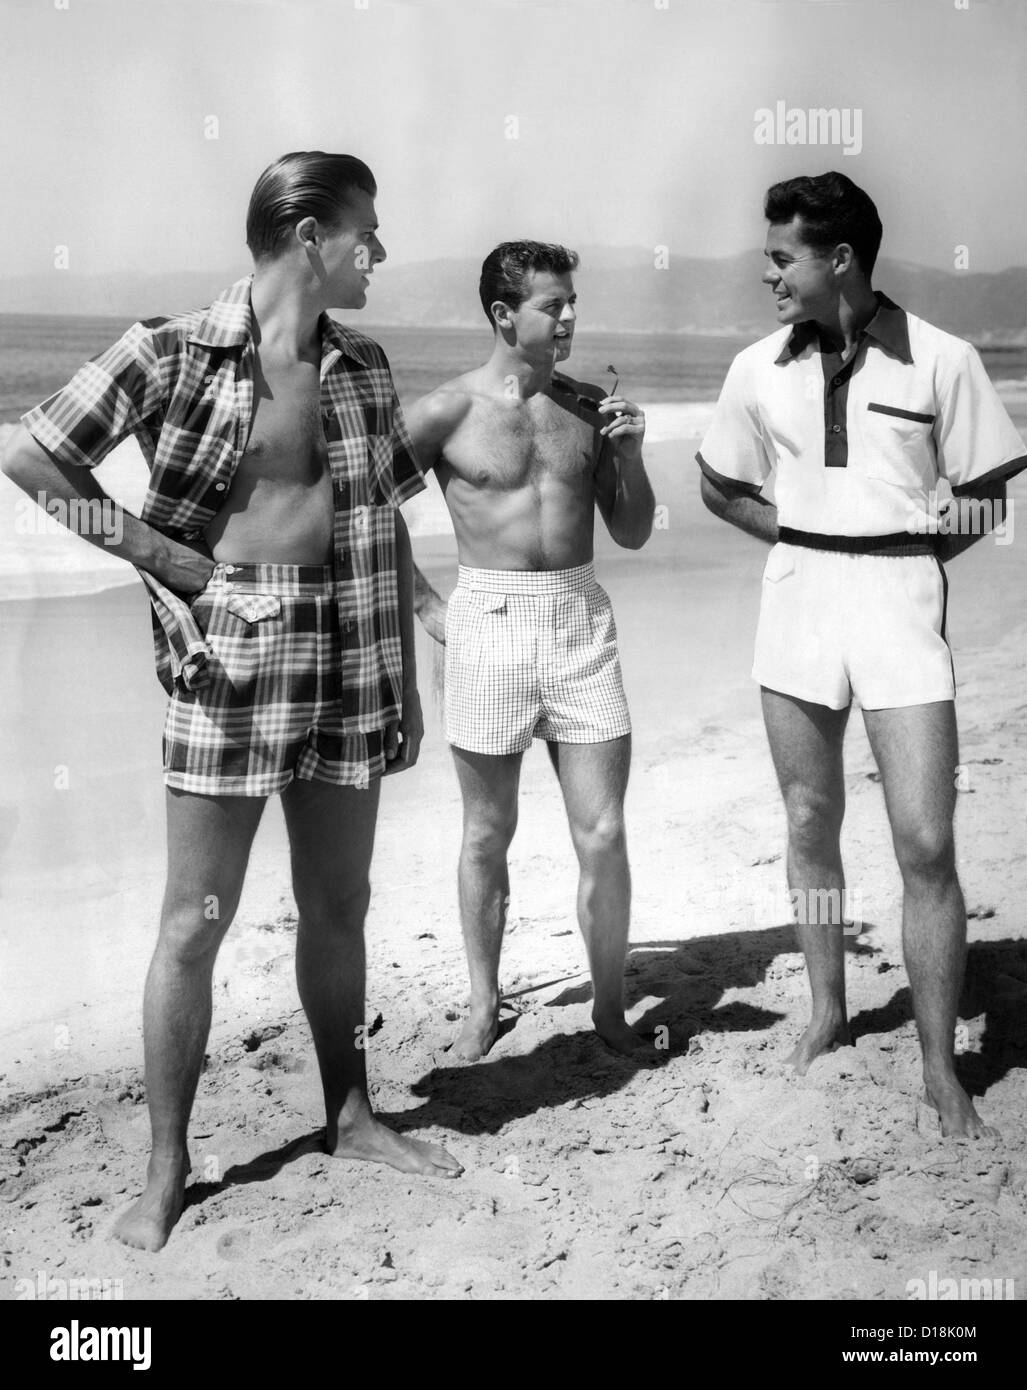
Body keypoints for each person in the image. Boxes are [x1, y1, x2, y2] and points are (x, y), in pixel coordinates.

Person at [2, 150, 463, 1251]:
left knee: (340, 907)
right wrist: (180, 563)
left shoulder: (361, 365)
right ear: (310, 234)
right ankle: (166, 1170)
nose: (379, 254)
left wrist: (402, 666)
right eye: (368, 233)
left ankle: (349, 1112)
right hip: (228, 649)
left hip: (349, 647)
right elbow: (36, 459)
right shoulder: (167, 348)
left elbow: (382, 522)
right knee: (191, 923)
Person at [697, 171, 1026, 1138]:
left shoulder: (943, 358)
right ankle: (827, 1011)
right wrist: (800, 537)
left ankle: (939, 1067)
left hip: (897, 602)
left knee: (924, 839)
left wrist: (909, 552)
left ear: (838, 259)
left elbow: (986, 493)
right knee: (808, 819)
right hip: (798, 602)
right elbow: (717, 487)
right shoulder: (756, 366)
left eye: (781, 257)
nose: (768, 274)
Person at [405, 241, 656, 1062]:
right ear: (503, 315)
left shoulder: (590, 407)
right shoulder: (445, 411)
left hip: (579, 617)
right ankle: (483, 1001)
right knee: (486, 832)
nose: (571, 316)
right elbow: (358, 507)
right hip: (487, 619)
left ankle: (610, 1008)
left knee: (604, 832)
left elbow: (631, 530)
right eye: (554, 305)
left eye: (572, 301)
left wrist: (628, 454)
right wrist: (424, 604)